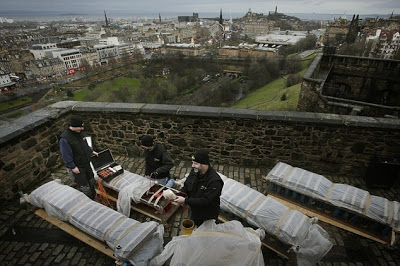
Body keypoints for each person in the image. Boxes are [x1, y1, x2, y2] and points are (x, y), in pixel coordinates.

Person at [174, 149, 224, 227]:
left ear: (204, 164)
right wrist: (181, 194)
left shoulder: (215, 181)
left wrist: (185, 200)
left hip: (208, 215)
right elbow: (187, 186)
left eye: (195, 163)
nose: (192, 165)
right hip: (195, 210)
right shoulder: (195, 171)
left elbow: (205, 201)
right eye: (193, 163)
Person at [59, 115, 98, 198]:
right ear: (73, 126)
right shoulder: (65, 139)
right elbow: (66, 155)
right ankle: (88, 198)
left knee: (91, 179)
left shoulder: (80, 133)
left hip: (86, 162)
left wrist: (91, 151)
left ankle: (93, 194)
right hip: (78, 167)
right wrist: (72, 167)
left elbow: (85, 145)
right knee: (84, 184)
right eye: (80, 127)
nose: (82, 128)